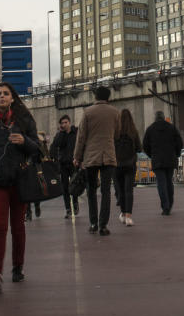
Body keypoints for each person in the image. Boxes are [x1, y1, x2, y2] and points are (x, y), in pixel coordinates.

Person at [0, 82, 40, 291]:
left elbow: (37, 149)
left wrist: (24, 141)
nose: (2, 96)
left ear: (13, 98)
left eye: (6, 93)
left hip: (20, 180)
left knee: (18, 226)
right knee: (0, 226)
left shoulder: (23, 119)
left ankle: (18, 268)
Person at [74, 86, 119, 236]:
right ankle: (103, 225)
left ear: (95, 97)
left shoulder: (87, 113)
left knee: (91, 190)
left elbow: (81, 137)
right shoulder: (115, 112)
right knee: (106, 191)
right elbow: (117, 134)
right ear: (108, 97)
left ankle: (93, 223)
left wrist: (77, 157)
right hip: (108, 156)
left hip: (91, 157)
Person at [142, 110, 183, 215]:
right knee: (169, 182)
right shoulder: (172, 128)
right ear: (164, 117)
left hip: (157, 160)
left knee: (161, 183)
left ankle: (165, 206)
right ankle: (170, 203)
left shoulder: (150, 129)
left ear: (155, 118)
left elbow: (145, 146)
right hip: (170, 159)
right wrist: (176, 154)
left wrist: (152, 155)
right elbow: (179, 142)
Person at [113, 109, 142, 226]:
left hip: (117, 165)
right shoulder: (133, 132)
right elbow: (139, 148)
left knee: (120, 191)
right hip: (130, 164)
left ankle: (123, 214)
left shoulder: (115, 132)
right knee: (128, 190)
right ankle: (129, 216)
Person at [50, 114, 79, 217]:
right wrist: (61, 133)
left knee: (74, 185)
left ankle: (75, 204)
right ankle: (68, 209)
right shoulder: (60, 135)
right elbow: (55, 145)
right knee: (65, 187)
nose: (64, 124)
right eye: (62, 123)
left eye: (66, 122)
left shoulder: (76, 132)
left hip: (74, 163)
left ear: (69, 122)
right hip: (63, 164)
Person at [25, 132, 50, 221]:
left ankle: (37, 205)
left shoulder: (37, 140)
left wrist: (41, 142)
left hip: (36, 167)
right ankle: (28, 213)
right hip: (26, 167)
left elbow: (44, 154)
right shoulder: (22, 140)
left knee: (36, 188)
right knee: (26, 191)